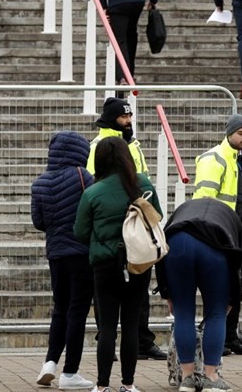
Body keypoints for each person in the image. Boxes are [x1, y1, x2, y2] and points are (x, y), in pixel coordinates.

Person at [74, 137, 163, 392]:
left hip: (104, 265)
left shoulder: (92, 192)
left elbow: (80, 231)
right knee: (132, 324)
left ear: (100, 160)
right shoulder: (142, 183)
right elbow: (157, 217)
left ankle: (102, 386)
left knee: (108, 327)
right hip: (138, 263)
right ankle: (129, 384)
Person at [87, 97, 166, 362]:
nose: (129, 121)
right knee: (108, 301)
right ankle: (106, 343)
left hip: (136, 226)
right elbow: (94, 185)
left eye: (130, 116)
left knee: (138, 294)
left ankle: (141, 341)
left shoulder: (133, 144)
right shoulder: (99, 146)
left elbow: (142, 180)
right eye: (124, 117)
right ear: (112, 119)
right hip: (114, 227)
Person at [155, 198, 242, 392]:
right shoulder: (231, 218)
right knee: (216, 313)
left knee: (183, 313)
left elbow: (161, 249)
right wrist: (233, 297)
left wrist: (167, 293)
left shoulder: (183, 209)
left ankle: (188, 377)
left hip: (177, 243)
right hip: (216, 247)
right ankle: (211, 378)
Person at [30, 131, 96, 390]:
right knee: (77, 311)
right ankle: (70, 373)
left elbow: (39, 222)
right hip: (81, 252)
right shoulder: (83, 175)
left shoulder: (40, 182)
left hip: (55, 253)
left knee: (60, 308)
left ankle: (50, 363)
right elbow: (93, 211)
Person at [193, 114, 242, 356]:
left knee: (237, 285)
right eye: (241, 133)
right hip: (221, 233)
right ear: (229, 133)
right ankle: (214, 336)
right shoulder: (215, 158)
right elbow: (204, 198)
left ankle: (230, 336)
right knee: (222, 286)